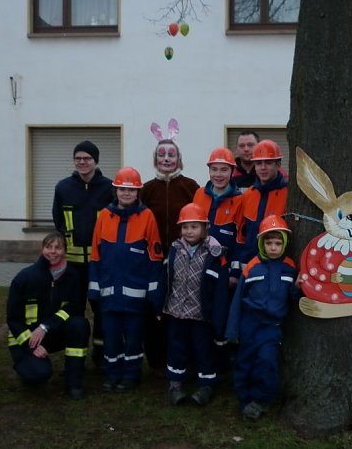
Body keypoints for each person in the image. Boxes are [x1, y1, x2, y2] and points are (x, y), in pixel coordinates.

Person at [88, 166, 163, 393]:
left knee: (133, 338)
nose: (126, 194)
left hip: (136, 296)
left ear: (138, 192)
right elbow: (96, 255)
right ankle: (112, 375)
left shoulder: (147, 217)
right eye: (122, 189)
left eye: (131, 190)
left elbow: (155, 257)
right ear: (116, 190)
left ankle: (131, 375)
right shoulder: (103, 217)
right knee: (111, 338)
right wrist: (94, 287)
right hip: (109, 294)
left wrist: (153, 292)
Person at [226, 215, 298, 421]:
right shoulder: (252, 266)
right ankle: (244, 398)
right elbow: (238, 299)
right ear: (261, 243)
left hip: (272, 327)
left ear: (284, 244)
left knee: (267, 363)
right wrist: (232, 330)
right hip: (250, 323)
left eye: (277, 243)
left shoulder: (290, 267)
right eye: (268, 242)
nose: (273, 247)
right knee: (244, 361)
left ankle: (260, 400)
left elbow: (292, 297)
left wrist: (297, 288)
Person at [159, 203, 230, 406]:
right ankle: (175, 383)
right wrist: (159, 305)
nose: (189, 231)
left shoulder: (215, 254)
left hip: (201, 315)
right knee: (176, 347)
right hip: (176, 312)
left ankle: (206, 384)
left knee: (203, 349)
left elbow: (220, 291)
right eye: (185, 227)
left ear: (205, 228)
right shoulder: (174, 250)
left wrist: (217, 316)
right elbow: (165, 279)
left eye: (194, 227)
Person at [6, 232, 91, 400]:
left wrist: (46, 332)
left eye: (58, 247)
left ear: (65, 251)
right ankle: (25, 366)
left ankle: (73, 383)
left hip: (52, 333)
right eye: (48, 247)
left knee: (80, 324)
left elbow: (75, 307)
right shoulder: (25, 277)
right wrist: (31, 346)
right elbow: (13, 318)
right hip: (25, 338)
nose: (53, 251)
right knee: (38, 374)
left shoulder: (73, 276)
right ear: (42, 249)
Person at [141, 138, 200, 376]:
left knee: (182, 309)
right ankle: (157, 361)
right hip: (154, 260)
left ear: (179, 159)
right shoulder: (146, 189)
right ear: (156, 158)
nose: (166, 159)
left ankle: (185, 359)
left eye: (171, 155)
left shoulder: (190, 187)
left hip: (185, 258)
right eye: (162, 155)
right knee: (155, 307)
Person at [52, 140, 112, 368]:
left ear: (96, 161)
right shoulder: (63, 188)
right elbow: (59, 222)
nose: (82, 162)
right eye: (78, 158)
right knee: (74, 313)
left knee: (102, 312)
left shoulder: (109, 188)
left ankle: (102, 357)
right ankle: (74, 359)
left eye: (87, 158)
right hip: (73, 267)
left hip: (100, 264)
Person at [193, 147, 244, 366]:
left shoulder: (240, 199)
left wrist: (234, 271)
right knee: (199, 312)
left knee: (220, 315)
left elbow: (241, 238)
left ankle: (221, 362)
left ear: (232, 171)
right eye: (215, 169)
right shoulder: (198, 194)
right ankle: (199, 358)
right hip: (199, 266)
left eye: (224, 169)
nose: (219, 174)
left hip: (223, 269)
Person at [236, 139, 288, 270]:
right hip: (249, 266)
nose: (263, 167)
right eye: (259, 163)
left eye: (268, 163)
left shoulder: (289, 194)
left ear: (278, 164)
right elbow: (241, 235)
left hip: (278, 267)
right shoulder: (248, 195)